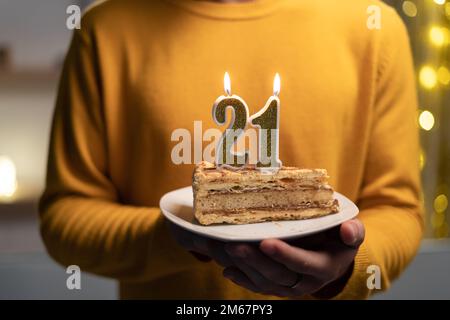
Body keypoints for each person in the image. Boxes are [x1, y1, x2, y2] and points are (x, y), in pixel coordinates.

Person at [39, 0, 423, 299]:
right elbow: (65, 217)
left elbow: (399, 210)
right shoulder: (105, 28)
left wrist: (348, 267)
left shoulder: (373, 27)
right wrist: (173, 235)